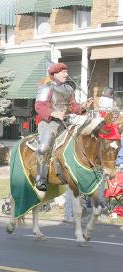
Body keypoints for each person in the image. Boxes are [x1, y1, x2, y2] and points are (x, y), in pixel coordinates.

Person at [34, 63, 93, 191]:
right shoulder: (46, 87)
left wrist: (83, 106)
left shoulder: (69, 89)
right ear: (55, 73)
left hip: (66, 124)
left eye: (66, 71)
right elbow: (39, 106)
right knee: (44, 147)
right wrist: (53, 113)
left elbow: (73, 107)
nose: (66, 74)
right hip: (49, 124)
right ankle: (41, 178)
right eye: (63, 72)